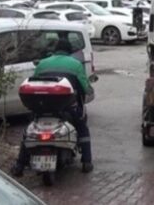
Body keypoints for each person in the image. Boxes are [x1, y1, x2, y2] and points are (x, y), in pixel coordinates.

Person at [11, 39, 94, 176]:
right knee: (82, 128)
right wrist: (89, 91)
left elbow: (34, 82)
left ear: (55, 50)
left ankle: (19, 165)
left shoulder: (43, 63)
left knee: (29, 133)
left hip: (41, 108)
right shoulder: (76, 64)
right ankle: (87, 161)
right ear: (69, 52)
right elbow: (85, 87)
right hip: (67, 109)